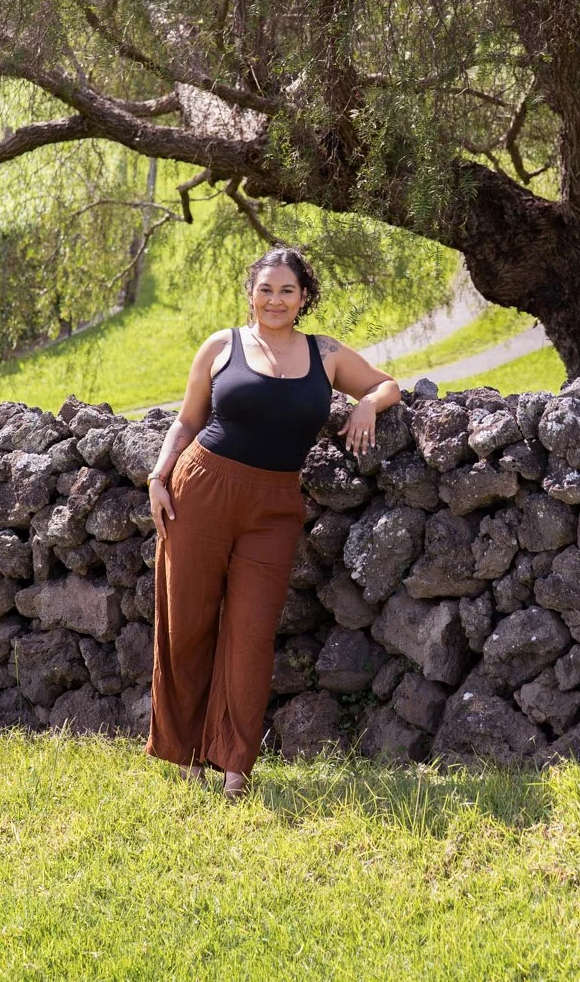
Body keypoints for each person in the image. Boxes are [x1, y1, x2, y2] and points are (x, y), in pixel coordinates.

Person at [144, 245, 400, 798]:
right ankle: (185, 752)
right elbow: (187, 421)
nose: (275, 300)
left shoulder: (325, 354)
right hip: (202, 489)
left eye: (287, 290)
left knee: (252, 634)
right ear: (250, 295)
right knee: (187, 622)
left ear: (304, 296)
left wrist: (363, 407)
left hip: (275, 506)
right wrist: (159, 476)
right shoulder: (221, 346)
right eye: (266, 290)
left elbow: (387, 384)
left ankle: (235, 765)